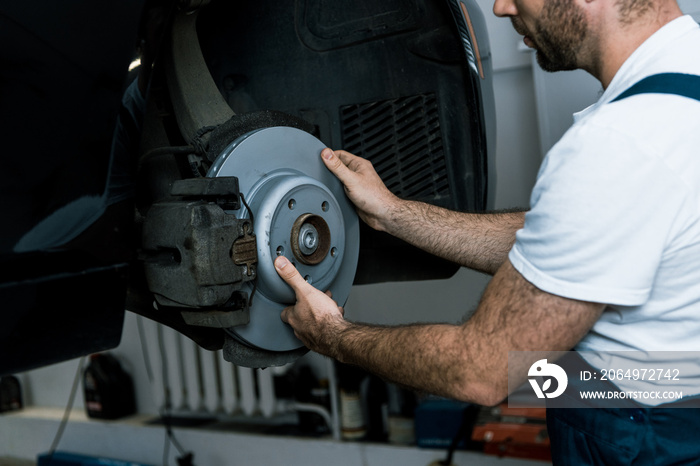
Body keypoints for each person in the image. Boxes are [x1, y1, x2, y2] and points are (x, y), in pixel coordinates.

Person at [274, 0, 700, 462]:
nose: (501, 7)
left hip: (642, 433)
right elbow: (577, 240)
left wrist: (332, 335)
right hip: (669, 392)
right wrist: (393, 214)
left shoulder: (620, 145)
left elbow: (480, 370)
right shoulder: (681, 79)